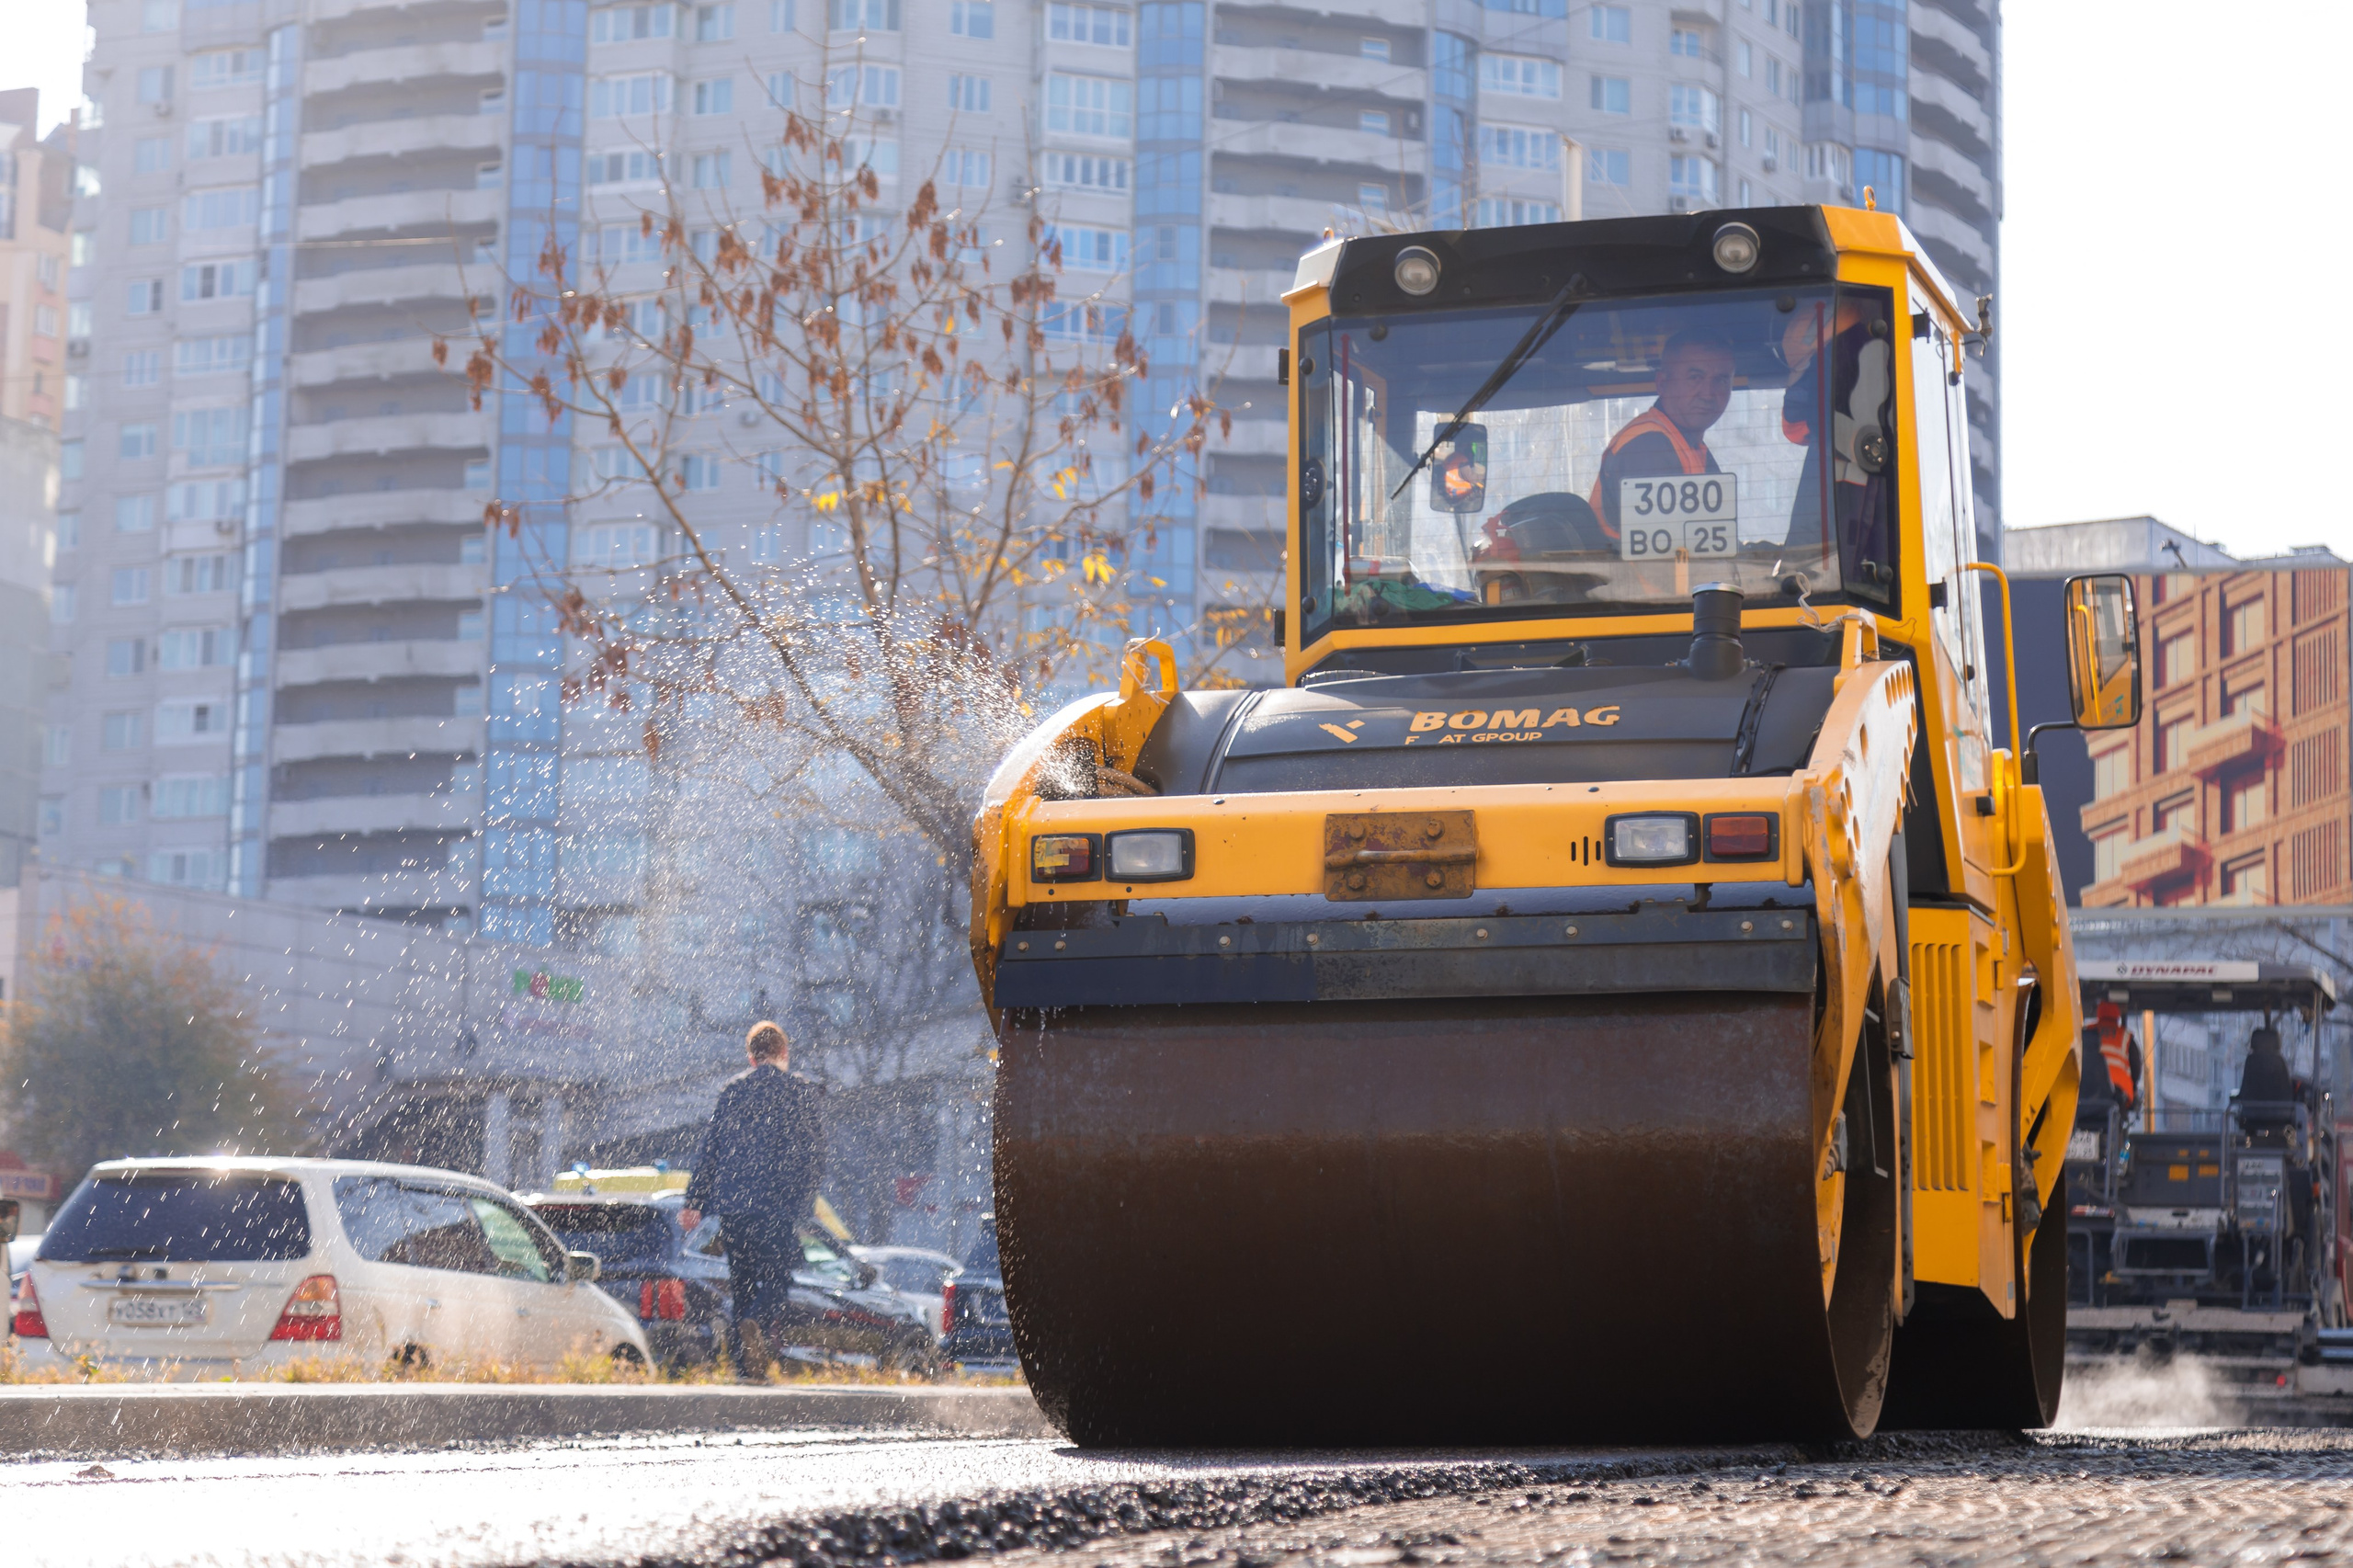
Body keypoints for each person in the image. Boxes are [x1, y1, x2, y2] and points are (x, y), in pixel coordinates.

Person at [679, 1021, 825, 1377]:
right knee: (778, 1280)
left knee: (741, 1284)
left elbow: (710, 1150)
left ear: (751, 1056)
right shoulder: (799, 1091)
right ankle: (755, 1322)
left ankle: (745, 1368)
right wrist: (804, 1202)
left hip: (734, 1208)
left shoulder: (733, 1091)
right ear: (784, 1053)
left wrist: (694, 1201)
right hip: (776, 1208)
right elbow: (813, 1154)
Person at [1587, 331, 1735, 541]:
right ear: (1662, 384)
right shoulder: (1648, 447)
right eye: (1695, 378)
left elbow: (1709, 540)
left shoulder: (1690, 445)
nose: (1708, 393)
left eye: (1721, 380)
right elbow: (1666, 551)